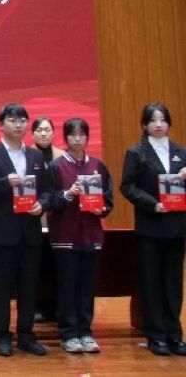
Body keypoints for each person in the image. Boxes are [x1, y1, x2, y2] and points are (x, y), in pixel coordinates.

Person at [0, 104, 53, 357]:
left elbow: (48, 191)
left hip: (30, 232)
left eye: (22, 121)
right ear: (1, 125)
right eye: (12, 120)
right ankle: (3, 335)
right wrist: (4, 182)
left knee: (29, 286)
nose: (18, 125)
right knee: (2, 288)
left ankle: (26, 335)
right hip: (3, 233)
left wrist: (42, 205)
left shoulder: (36, 156)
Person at [119, 102, 186, 356]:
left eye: (163, 119)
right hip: (150, 227)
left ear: (169, 123)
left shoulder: (181, 152)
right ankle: (156, 335)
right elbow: (127, 186)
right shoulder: (137, 153)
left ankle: (174, 334)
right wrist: (153, 204)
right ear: (145, 125)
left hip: (177, 227)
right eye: (153, 120)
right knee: (151, 282)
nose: (159, 124)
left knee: (173, 283)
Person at [47, 118, 112, 354]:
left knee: (87, 287)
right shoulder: (56, 167)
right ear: (65, 138)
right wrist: (68, 194)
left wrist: (101, 209)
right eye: (72, 134)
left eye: (81, 134)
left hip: (91, 236)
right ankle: (68, 334)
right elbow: (49, 200)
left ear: (87, 137)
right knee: (67, 286)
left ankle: (86, 332)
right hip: (65, 236)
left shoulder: (97, 165)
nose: (77, 139)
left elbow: (108, 200)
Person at [31, 117, 58, 324]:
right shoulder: (27, 155)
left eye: (47, 130)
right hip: (35, 219)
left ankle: (57, 306)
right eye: (39, 130)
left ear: (53, 133)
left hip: (59, 220)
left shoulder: (63, 156)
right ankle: (37, 306)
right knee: (37, 266)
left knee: (57, 266)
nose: (43, 133)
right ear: (32, 134)